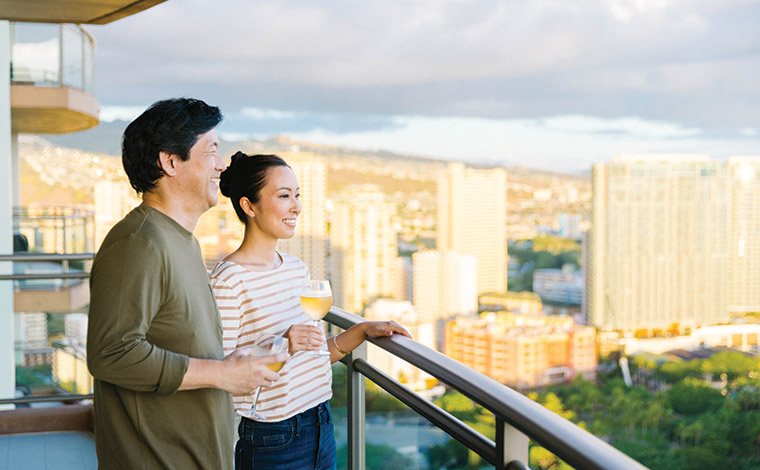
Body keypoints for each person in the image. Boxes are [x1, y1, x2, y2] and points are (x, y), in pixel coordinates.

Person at [87, 99, 287, 470]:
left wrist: (228, 364)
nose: (221, 164)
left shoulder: (182, 240)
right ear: (170, 161)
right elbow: (111, 353)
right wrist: (222, 374)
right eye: (211, 150)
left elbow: (175, 340)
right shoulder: (138, 243)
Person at [211, 152, 411, 470]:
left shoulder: (296, 269)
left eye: (298, 195)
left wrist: (361, 330)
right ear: (249, 206)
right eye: (284, 196)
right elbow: (222, 375)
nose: (296, 206)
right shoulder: (229, 280)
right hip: (271, 436)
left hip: (320, 421)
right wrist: (283, 344)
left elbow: (314, 354)